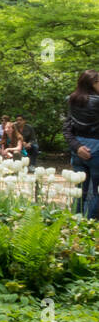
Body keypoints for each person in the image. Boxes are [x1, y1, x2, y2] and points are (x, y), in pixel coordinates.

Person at [64, 69, 99, 219]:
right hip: (96, 150)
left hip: (78, 149)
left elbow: (67, 128)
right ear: (93, 83)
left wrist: (77, 146)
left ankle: (75, 224)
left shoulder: (72, 100)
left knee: (80, 190)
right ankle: (88, 224)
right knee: (95, 191)